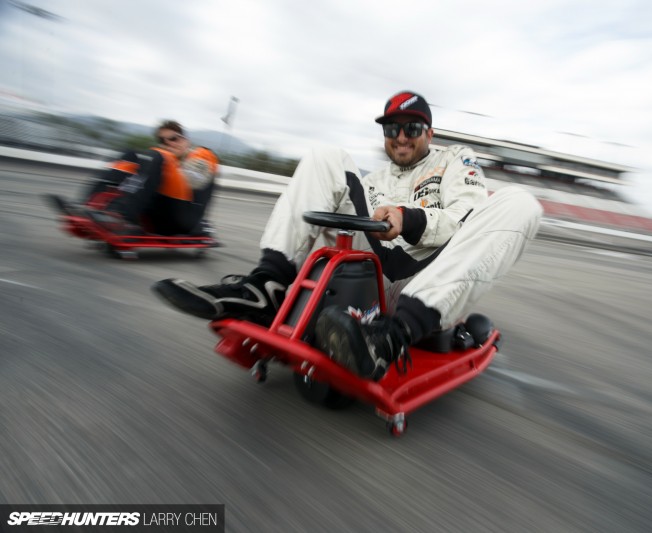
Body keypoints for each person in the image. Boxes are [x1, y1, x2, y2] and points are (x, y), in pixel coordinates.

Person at [153, 91, 542, 381]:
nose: (401, 136)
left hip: (430, 282)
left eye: (411, 128)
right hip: (370, 279)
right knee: (325, 156)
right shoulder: (373, 180)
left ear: (429, 132)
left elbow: (466, 216)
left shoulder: (455, 160)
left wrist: (409, 219)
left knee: (522, 203)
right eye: (392, 128)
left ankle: (389, 339)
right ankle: (266, 287)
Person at [49, 120, 218, 236]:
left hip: (183, 218)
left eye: (174, 139)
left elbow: (194, 179)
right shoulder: (166, 160)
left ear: (186, 140)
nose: (169, 144)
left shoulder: (201, 155)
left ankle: (120, 215)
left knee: (156, 156)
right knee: (130, 154)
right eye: (163, 141)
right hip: (157, 213)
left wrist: (171, 161)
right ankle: (89, 206)